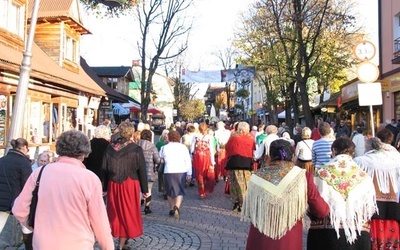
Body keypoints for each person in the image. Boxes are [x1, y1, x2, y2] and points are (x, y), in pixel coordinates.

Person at [12, 131, 114, 250]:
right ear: (84, 153)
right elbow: (100, 222)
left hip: (44, 243)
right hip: (78, 243)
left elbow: (19, 210)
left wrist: (33, 227)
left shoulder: (39, 173)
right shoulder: (89, 179)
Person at [242, 139, 329, 250]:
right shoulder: (302, 176)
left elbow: (250, 209)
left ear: (270, 156)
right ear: (292, 157)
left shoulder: (256, 176)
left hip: (260, 239)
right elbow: (321, 209)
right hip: (288, 240)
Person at [308, 137, 377, 250]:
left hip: (326, 234)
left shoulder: (320, 173)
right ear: (353, 153)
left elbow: (313, 202)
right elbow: (369, 208)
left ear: (334, 151)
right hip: (357, 233)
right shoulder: (363, 176)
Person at [102, 121, 149, 250]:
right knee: (127, 212)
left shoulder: (110, 148)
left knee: (114, 212)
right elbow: (142, 170)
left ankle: (111, 241)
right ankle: (122, 244)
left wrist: (104, 187)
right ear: (131, 133)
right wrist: (145, 190)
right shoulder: (136, 149)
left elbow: (104, 169)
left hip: (113, 184)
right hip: (130, 184)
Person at [354, 137, 400, 249]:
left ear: (367, 147)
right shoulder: (395, 160)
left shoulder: (361, 161)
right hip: (393, 204)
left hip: (372, 206)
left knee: (373, 240)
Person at [0, 138, 32, 249]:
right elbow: (28, 187)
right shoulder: (24, 163)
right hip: (13, 205)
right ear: (24, 148)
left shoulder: (2, 160)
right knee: (12, 240)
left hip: (1, 202)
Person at [159, 131, 192, 219]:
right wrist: (189, 173)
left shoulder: (164, 148)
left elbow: (160, 159)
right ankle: (177, 206)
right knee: (180, 190)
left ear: (169, 138)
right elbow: (187, 161)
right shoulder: (183, 147)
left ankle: (171, 208)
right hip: (181, 170)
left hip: (168, 171)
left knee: (169, 191)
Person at [225, 122, 255, 212]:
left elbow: (227, 147)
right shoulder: (250, 138)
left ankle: (235, 202)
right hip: (246, 163)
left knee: (234, 183)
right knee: (245, 184)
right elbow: (253, 149)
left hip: (234, 162)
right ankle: (244, 203)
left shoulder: (234, 137)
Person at [137, 129, 161, 215]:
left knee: (139, 190)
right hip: (149, 171)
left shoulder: (136, 144)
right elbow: (158, 160)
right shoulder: (152, 146)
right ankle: (147, 207)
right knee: (148, 190)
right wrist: (162, 161)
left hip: (137, 171)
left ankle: (138, 205)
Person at [190, 122, 216, 199]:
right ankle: (205, 189)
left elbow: (192, 148)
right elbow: (211, 149)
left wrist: (192, 157)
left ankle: (201, 191)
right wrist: (213, 161)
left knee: (199, 174)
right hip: (206, 156)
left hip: (197, 156)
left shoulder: (195, 136)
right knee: (206, 173)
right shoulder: (210, 137)